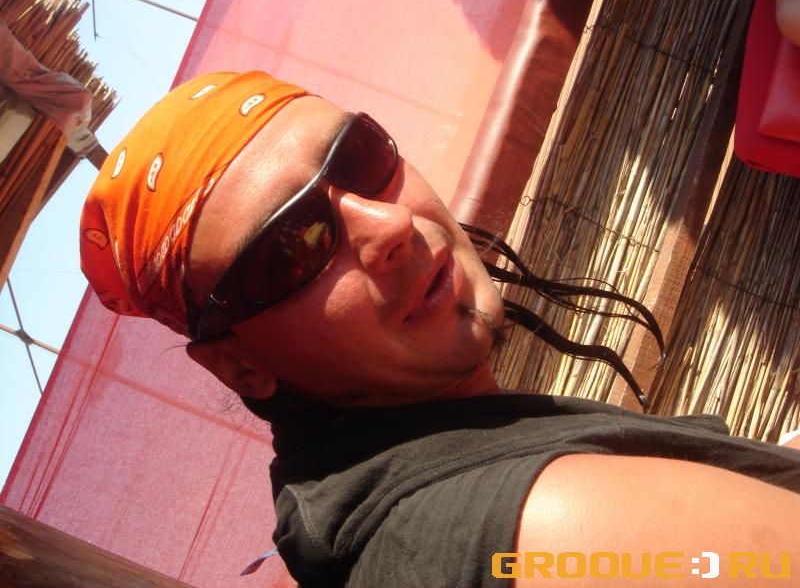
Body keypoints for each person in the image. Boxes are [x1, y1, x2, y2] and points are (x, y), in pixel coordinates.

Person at [80, 71, 800, 587]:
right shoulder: (533, 529)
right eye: (289, 247)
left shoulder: (442, 463)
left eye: (360, 157)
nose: (390, 223)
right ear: (241, 367)